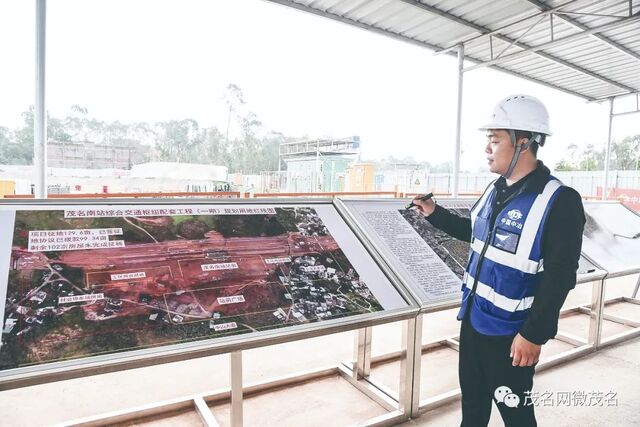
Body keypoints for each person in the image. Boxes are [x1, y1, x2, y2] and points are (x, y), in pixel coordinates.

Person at [413, 94, 585, 427]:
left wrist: (534, 335)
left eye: (494, 140)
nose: (487, 148)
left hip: (512, 334)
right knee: (473, 410)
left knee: (516, 416)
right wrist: (434, 213)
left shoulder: (559, 200)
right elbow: (475, 232)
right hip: (474, 320)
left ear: (523, 142)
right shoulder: (496, 189)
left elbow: (561, 276)